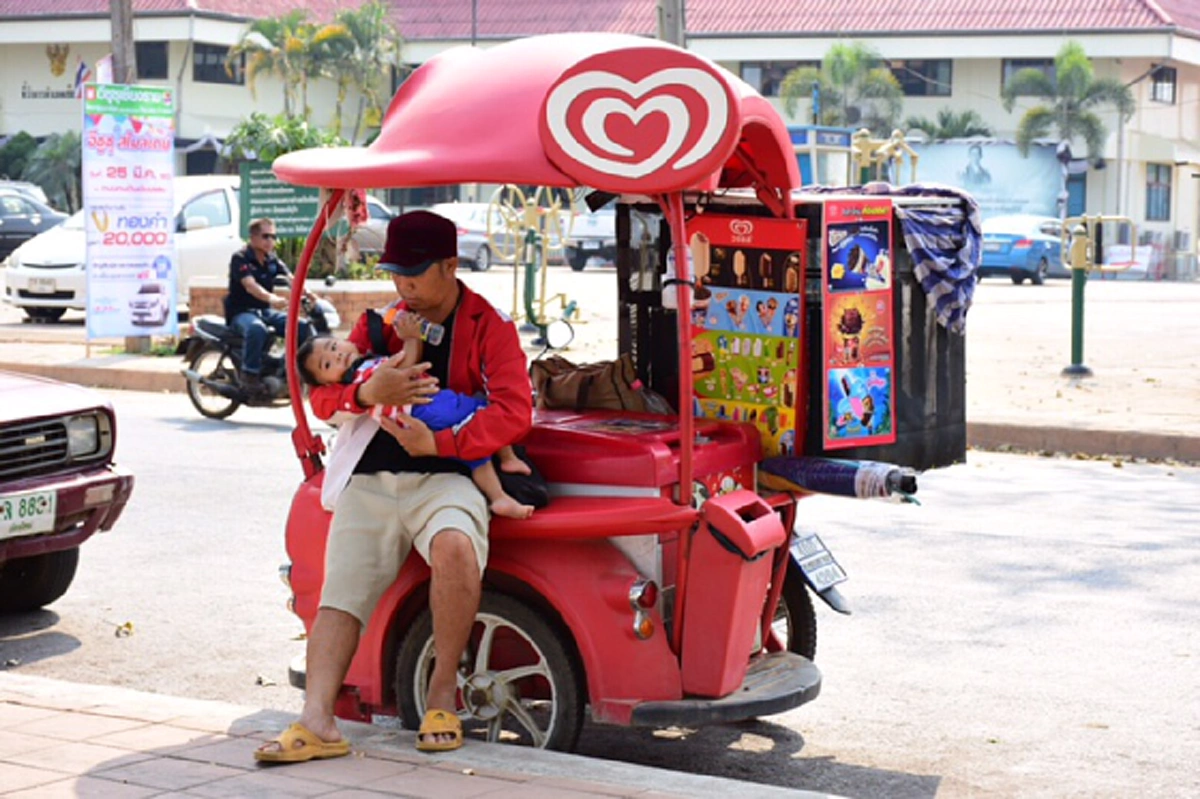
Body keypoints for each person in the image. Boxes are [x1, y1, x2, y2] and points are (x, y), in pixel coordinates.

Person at [255, 210, 533, 762]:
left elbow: (515, 413)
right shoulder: (381, 323)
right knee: (342, 587)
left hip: (449, 474)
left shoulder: (490, 326)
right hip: (373, 475)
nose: (402, 285)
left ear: (450, 266)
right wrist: (365, 393)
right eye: (395, 272)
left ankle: (440, 698)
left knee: (456, 547)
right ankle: (317, 720)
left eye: (415, 272)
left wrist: (443, 445)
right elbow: (322, 397)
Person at [295, 317, 535, 519]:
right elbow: (406, 365)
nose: (337, 356)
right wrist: (412, 338)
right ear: (328, 382)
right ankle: (499, 496)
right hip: (423, 410)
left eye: (334, 346)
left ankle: (507, 458)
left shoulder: (368, 361)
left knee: (485, 409)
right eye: (327, 364)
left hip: (435, 401)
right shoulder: (363, 377)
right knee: (474, 436)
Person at [224, 217, 312, 398]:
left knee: (301, 326)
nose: (270, 241)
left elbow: (292, 280)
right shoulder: (240, 258)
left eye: (273, 236)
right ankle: (250, 376)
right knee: (257, 329)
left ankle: (291, 370)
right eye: (266, 236)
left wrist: (312, 296)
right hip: (242, 312)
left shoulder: (272, 260)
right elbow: (250, 285)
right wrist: (272, 298)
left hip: (265, 312)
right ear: (253, 237)